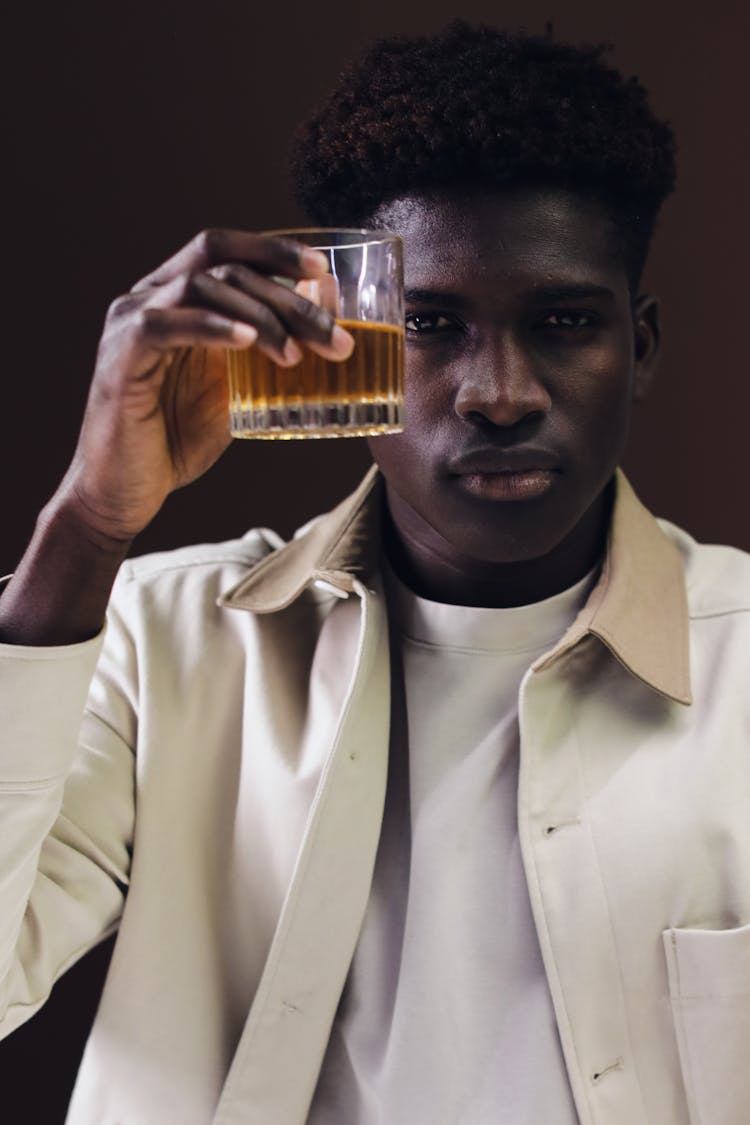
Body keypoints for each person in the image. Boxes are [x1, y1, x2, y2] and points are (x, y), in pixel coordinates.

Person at [1, 19, 748, 1125]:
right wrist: (85, 524)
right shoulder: (163, 639)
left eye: (562, 323)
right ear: (340, 342)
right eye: (431, 324)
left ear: (637, 348)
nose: (501, 391)